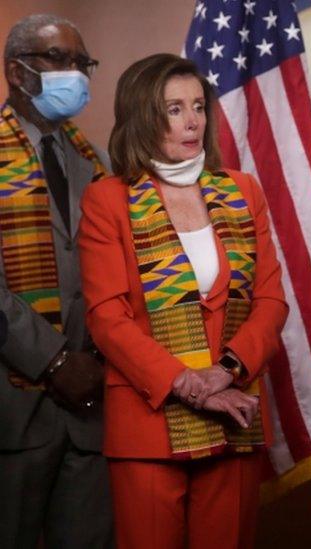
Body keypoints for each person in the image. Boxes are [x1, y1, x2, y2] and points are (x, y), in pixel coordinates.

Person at [77, 53, 287, 549]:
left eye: (198, 106)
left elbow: (271, 299)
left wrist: (226, 371)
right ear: (142, 115)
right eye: (174, 109)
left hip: (236, 411)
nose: (193, 121)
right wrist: (190, 384)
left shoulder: (242, 189)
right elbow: (107, 318)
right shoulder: (108, 198)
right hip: (148, 427)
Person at [0, 14, 113, 548]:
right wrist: (54, 359)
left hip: (92, 405)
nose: (76, 74)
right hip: (12, 408)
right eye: (59, 60)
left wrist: (92, 359)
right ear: (17, 73)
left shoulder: (99, 162)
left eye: (81, 62)